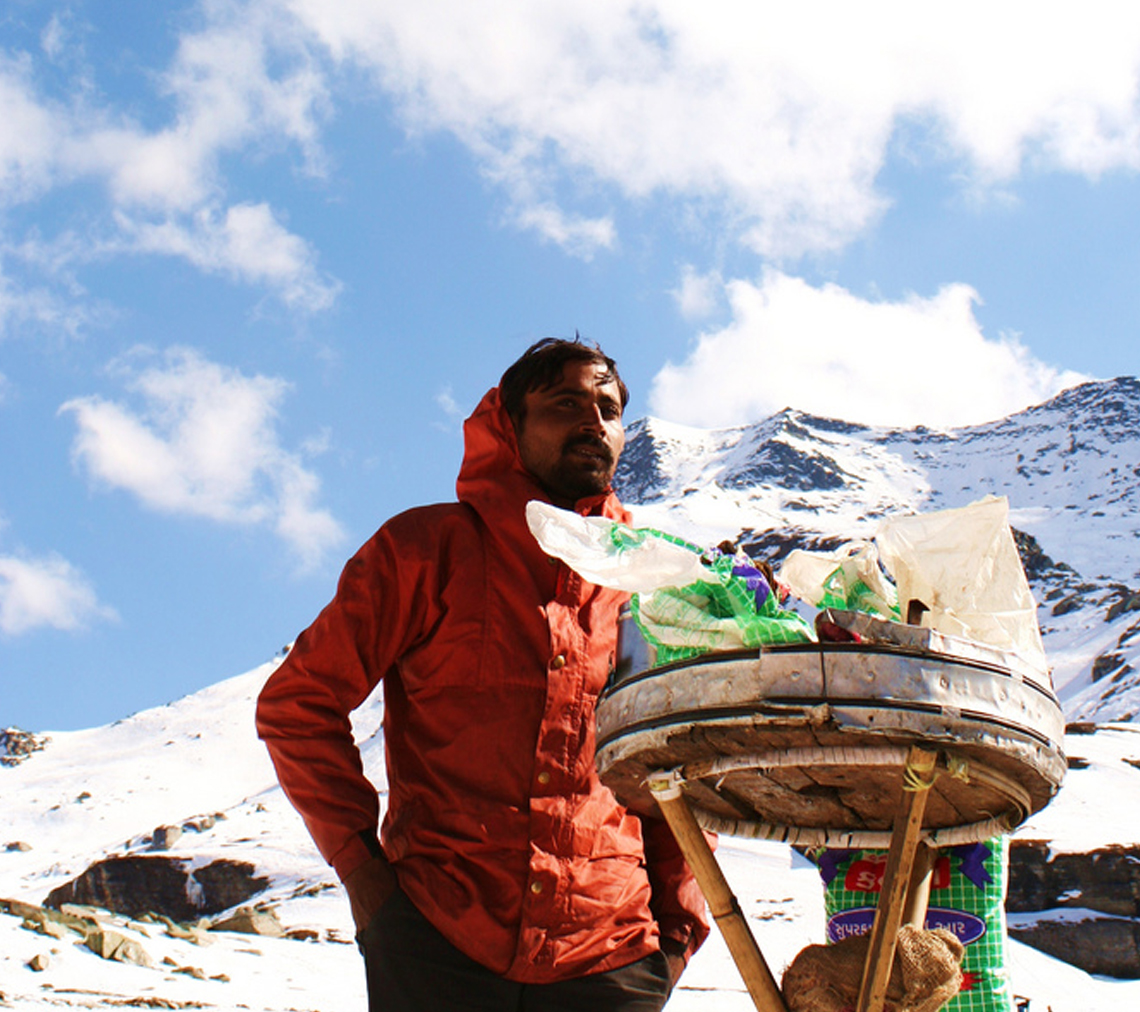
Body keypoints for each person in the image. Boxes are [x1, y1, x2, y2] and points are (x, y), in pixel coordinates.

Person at [256, 338, 710, 1011]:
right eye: (565, 403)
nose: (595, 422)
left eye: (608, 408)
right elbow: (297, 706)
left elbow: (678, 767)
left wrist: (675, 935)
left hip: (610, 955)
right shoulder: (425, 550)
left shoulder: (651, 585)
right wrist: (365, 882)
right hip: (438, 938)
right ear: (508, 424)